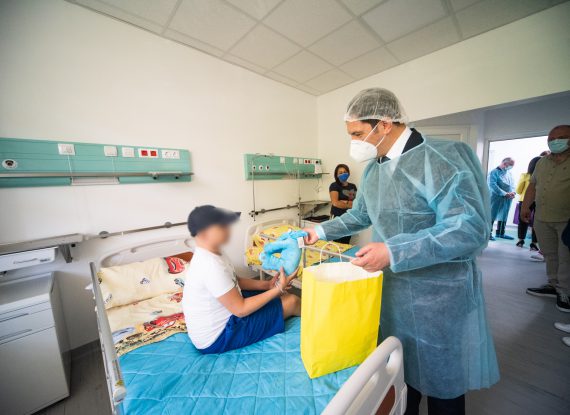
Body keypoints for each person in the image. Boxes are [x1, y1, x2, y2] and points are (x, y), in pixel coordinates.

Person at [302, 88, 499, 415]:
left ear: (384, 124)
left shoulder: (443, 158)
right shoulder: (374, 170)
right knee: (401, 373)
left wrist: (394, 251)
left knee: (443, 382)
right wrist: (318, 231)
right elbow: (360, 215)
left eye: (357, 134)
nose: (353, 143)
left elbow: (468, 228)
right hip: (393, 291)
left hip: (439, 296)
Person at [182, 205, 300, 354]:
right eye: (222, 226)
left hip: (226, 315)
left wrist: (267, 285)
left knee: (279, 297)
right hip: (219, 338)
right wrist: (278, 289)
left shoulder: (214, 252)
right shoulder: (210, 265)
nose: (228, 229)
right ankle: (321, 321)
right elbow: (241, 310)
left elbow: (235, 281)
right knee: (292, 301)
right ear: (203, 233)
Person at [522, 125, 570, 313]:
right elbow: (532, 186)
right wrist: (526, 206)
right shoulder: (542, 162)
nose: (555, 141)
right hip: (542, 217)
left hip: (566, 219)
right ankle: (553, 284)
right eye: (551, 138)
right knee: (550, 254)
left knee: (566, 257)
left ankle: (565, 292)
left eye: (561, 137)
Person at [515, 156, 541, 250]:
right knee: (537, 222)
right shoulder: (543, 176)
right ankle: (534, 243)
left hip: (525, 200)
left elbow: (518, 190)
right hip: (538, 201)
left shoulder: (525, 176)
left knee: (523, 220)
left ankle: (520, 240)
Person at [488, 157, 516, 241]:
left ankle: (500, 233)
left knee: (504, 215)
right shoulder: (494, 172)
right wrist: (505, 193)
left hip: (507, 198)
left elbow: (512, 184)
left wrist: (513, 192)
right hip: (496, 197)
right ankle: (488, 234)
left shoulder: (509, 173)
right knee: (492, 215)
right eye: (510, 165)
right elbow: (492, 185)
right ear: (504, 163)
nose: (511, 167)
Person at [329, 163, 357, 244]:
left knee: (346, 242)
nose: (343, 174)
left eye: (345, 172)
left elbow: (356, 203)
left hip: (349, 218)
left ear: (348, 173)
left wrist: (345, 202)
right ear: (336, 175)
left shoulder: (352, 186)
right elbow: (335, 203)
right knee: (336, 243)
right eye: (340, 173)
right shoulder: (334, 185)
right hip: (337, 218)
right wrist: (349, 204)